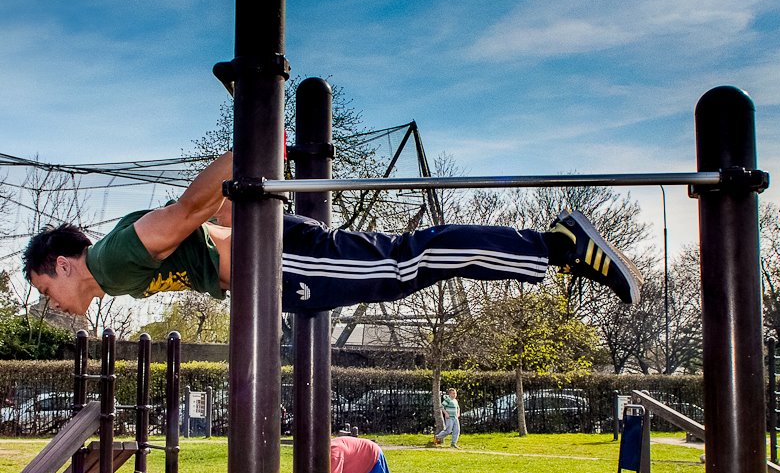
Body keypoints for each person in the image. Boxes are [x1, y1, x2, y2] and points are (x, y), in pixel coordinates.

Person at [22, 151, 643, 316]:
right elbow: (207, 225)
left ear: (62, 263)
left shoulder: (111, 259)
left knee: (406, 263)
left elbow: (188, 210)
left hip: (282, 264)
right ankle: (554, 248)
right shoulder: (117, 275)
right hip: (273, 254)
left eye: (45, 289)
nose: (53, 303)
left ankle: (556, 246)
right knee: (404, 261)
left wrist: (256, 142)